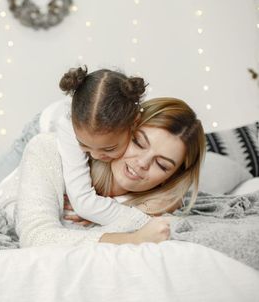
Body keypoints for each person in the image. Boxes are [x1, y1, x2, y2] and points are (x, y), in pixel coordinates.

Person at [15, 97, 205, 247]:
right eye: (138, 143)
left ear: (171, 177)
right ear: (124, 130)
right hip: (45, 126)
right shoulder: (48, 148)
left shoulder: (159, 205)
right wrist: (134, 238)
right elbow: (37, 237)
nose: (142, 163)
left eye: (162, 165)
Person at [56, 66, 149, 227]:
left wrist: (103, 211)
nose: (96, 156)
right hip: (36, 130)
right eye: (84, 145)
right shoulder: (67, 126)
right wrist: (145, 222)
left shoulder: (141, 122)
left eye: (108, 149)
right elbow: (83, 203)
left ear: (134, 123)